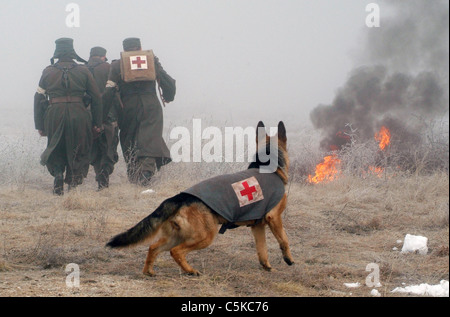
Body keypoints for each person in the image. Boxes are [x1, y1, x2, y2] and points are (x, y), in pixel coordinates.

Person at [34, 38, 102, 195]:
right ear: (72, 52)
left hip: (54, 113)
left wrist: (40, 125)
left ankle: (58, 174)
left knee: (56, 145)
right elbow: (96, 97)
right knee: (79, 147)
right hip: (79, 113)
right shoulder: (83, 70)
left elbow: (38, 98)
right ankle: (74, 182)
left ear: (57, 52)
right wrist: (97, 122)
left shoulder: (48, 71)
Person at [103, 37, 175, 186]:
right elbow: (168, 83)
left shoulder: (118, 64)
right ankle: (146, 172)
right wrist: (168, 96)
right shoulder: (151, 60)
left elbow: (109, 91)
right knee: (150, 139)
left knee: (129, 139)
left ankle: (137, 175)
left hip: (128, 107)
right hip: (151, 105)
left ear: (124, 49)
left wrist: (103, 114)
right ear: (140, 47)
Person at [87, 46, 119, 190]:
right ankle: (104, 176)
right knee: (109, 146)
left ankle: (99, 174)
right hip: (109, 114)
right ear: (103, 57)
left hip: (89, 115)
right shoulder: (109, 68)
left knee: (94, 147)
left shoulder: (82, 69)